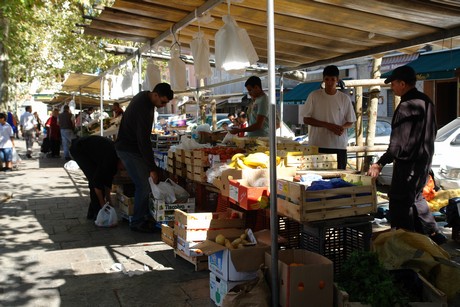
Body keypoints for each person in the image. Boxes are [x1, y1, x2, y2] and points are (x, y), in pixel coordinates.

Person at [367, 65, 446, 245]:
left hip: (408, 164)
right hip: (424, 162)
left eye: (393, 84)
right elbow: (433, 132)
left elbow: (397, 144)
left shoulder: (406, 106)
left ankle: (405, 241)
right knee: (415, 198)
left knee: (400, 202)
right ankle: (433, 235)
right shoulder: (426, 101)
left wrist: (379, 163)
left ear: (402, 83)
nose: (392, 87)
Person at [115, 83, 174, 233]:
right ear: (155, 95)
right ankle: (137, 221)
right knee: (144, 184)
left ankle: (145, 216)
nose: (163, 105)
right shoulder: (144, 108)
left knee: (144, 183)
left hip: (131, 148)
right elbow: (143, 140)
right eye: (163, 102)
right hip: (129, 149)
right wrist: (152, 168)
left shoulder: (144, 97)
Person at [302, 65, 356, 169]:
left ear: (337, 80)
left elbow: (351, 121)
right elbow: (306, 119)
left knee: (339, 179)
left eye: (333, 79)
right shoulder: (314, 95)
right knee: (317, 179)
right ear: (323, 79)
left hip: (338, 146)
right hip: (317, 145)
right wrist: (328, 125)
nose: (330, 82)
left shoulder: (344, 98)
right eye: (327, 79)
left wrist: (341, 128)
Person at [70, 136, 120, 220]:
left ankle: (93, 212)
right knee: (94, 180)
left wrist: (108, 199)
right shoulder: (110, 159)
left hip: (90, 150)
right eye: (123, 168)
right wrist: (103, 204)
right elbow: (97, 184)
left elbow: (108, 181)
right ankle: (97, 213)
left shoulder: (114, 162)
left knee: (98, 179)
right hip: (79, 149)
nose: (123, 169)